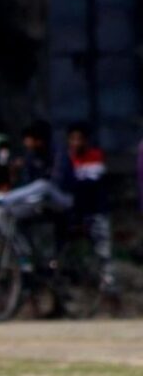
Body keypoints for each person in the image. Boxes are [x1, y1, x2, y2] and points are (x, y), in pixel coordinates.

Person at [55, 122, 115, 292]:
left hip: (96, 209)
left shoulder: (95, 156)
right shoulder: (66, 159)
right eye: (72, 139)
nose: (75, 143)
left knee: (103, 251)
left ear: (86, 141)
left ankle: (109, 290)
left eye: (79, 139)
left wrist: (72, 185)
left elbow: (90, 183)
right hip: (75, 212)